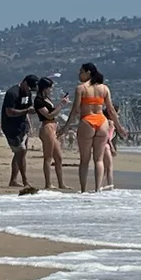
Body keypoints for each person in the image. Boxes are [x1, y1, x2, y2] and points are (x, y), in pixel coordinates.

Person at [65, 63, 117, 193]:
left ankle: (83, 190)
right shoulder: (104, 88)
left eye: (81, 72)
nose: (78, 74)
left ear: (88, 73)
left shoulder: (81, 88)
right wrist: (120, 127)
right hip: (102, 122)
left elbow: (75, 110)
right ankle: (97, 189)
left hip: (87, 121)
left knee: (84, 161)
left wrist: (65, 128)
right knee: (98, 160)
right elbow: (110, 110)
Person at [1, 74, 36, 188]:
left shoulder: (28, 93)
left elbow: (28, 110)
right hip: (11, 127)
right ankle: (25, 180)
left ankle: (13, 180)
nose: (29, 90)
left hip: (23, 126)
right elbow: (9, 112)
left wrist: (29, 124)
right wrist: (26, 110)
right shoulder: (12, 93)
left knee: (21, 154)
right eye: (29, 88)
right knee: (20, 153)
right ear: (24, 83)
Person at [34, 77, 66, 190]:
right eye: (50, 88)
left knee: (59, 157)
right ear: (45, 88)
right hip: (47, 127)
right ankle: (48, 183)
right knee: (48, 157)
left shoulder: (47, 99)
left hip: (53, 127)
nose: (51, 90)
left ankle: (61, 183)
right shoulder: (38, 100)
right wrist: (61, 105)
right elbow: (49, 115)